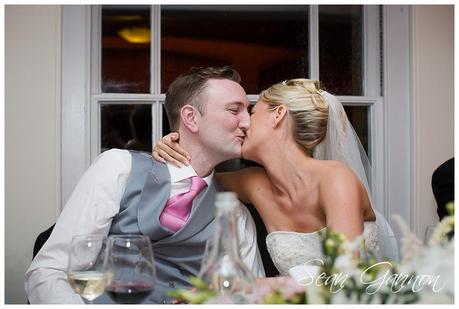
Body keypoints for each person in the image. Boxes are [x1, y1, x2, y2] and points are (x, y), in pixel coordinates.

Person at [25, 66, 265, 304]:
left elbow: (254, 298)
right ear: (191, 118)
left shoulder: (236, 215)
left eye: (249, 111)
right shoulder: (118, 168)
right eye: (235, 110)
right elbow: (50, 271)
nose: (247, 122)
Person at [154, 79, 399, 277]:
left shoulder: (335, 178)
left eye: (252, 111)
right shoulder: (252, 183)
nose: (244, 122)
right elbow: (197, 177)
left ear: (278, 115)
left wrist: (262, 288)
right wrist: (176, 146)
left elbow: (344, 276)